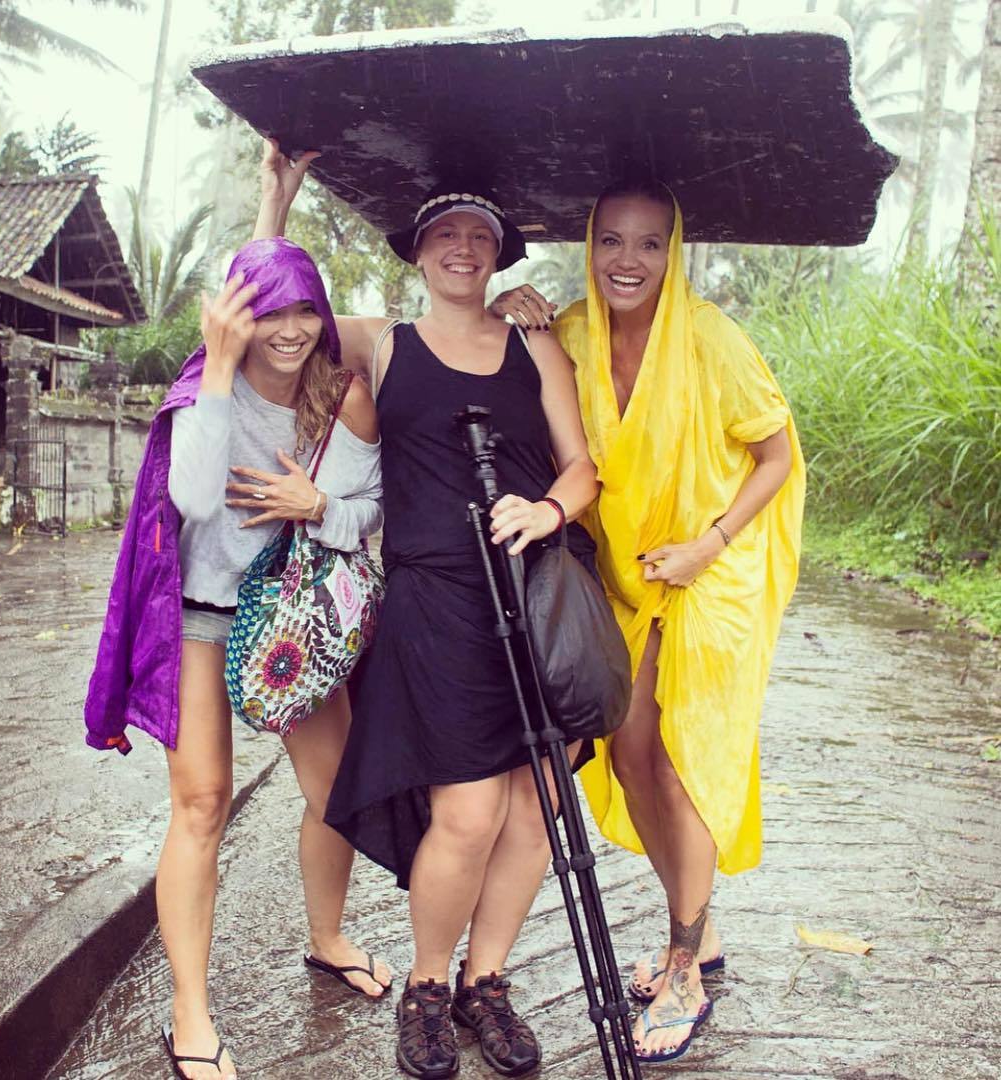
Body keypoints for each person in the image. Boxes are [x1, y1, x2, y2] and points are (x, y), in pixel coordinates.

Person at [253, 141, 600, 1079]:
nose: (462, 247)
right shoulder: (384, 343)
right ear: (417, 251)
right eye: (444, 233)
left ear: (499, 253)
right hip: (436, 603)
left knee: (534, 807)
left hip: (539, 591)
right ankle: (429, 987)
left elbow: (582, 467)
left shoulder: (535, 345)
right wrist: (274, 205)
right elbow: (267, 315)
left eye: (479, 235)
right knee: (470, 811)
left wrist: (549, 510)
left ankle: (489, 982)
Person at [492, 181, 805, 1064]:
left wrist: (709, 544)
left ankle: (684, 966)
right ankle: (698, 930)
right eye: (611, 241)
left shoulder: (711, 338)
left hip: (715, 569)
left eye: (649, 244)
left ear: (675, 252)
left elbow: (776, 455)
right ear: (590, 246)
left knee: (682, 760)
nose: (627, 261)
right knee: (628, 755)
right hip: (630, 573)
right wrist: (505, 310)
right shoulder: (573, 336)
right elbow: (496, 369)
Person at [84, 236, 388, 1080]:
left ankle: (328, 938)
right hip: (198, 618)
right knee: (202, 805)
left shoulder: (344, 398)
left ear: (323, 317)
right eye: (268, 312)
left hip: (295, 622)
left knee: (334, 793)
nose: (288, 330)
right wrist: (219, 367)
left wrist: (317, 504)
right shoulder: (203, 388)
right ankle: (190, 1012)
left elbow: (371, 507)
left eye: (304, 311)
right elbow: (188, 499)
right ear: (236, 319)